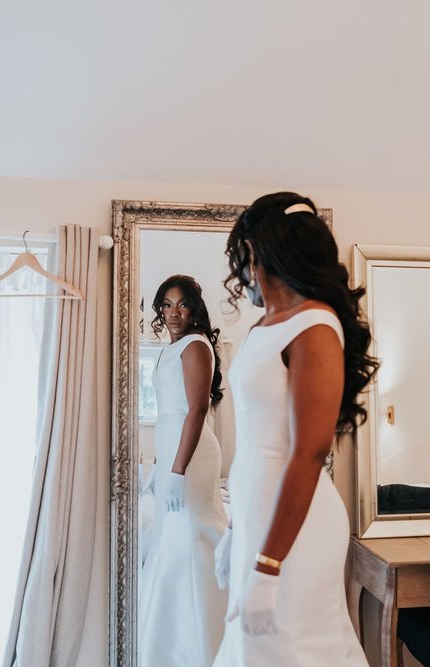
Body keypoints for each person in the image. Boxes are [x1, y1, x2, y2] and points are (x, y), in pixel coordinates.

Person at [212, 192, 379, 666]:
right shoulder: (265, 323)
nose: (242, 270)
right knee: (255, 650)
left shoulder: (316, 326)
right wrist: (237, 531)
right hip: (257, 515)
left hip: (297, 528)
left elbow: (308, 451)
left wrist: (267, 565)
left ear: (262, 251)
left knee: (293, 650)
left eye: (243, 254)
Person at [138, 275, 229, 667]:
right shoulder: (167, 351)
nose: (174, 313)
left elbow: (196, 410)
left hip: (192, 457)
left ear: (194, 308)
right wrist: (161, 466)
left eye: (182, 304)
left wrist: (176, 471)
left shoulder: (196, 346)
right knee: (172, 536)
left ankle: (204, 642)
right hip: (171, 449)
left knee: (191, 534)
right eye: (167, 304)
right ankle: (172, 641)